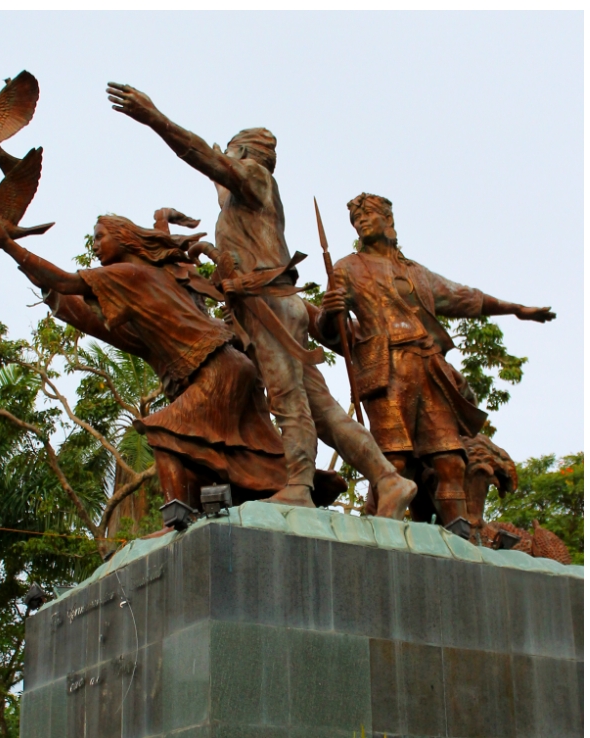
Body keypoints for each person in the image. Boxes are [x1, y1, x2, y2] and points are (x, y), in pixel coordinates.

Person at [105, 82, 416, 519]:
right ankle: (389, 479)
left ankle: (299, 487)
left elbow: (207, 159)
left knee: (288, 400)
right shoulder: (239, 199)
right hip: (267, 307)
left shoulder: (256, 178)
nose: (224, 165)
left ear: (245, 154)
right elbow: (217, 173)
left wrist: (156, 118)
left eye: (230, 155)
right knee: (325, 413)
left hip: (271, 306)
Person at [0, 210, 320, 510]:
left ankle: (177, 520)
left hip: (217, 369)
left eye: (100, 236)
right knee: (236, 458)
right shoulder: (156, 281)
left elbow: (67, 282)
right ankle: (235, 506)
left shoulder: (130, 274)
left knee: (165, 429)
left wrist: (8, 245)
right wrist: (162, 221)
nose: (96, 245)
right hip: (228, 369)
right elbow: (84, 312)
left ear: (125, 237)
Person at [315, 193, 555, 533]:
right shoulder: (347, 268)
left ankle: (461, 530)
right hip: (385, 369)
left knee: (448, 456)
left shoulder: (416, 273)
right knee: (393, 457)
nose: (361, 222)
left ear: (389, 220)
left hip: (428, 365)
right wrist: (330, 310)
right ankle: (382, 528)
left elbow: (464, 297)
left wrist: (515, 309)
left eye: (368, 215)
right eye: (356, 220)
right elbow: (331, 332)